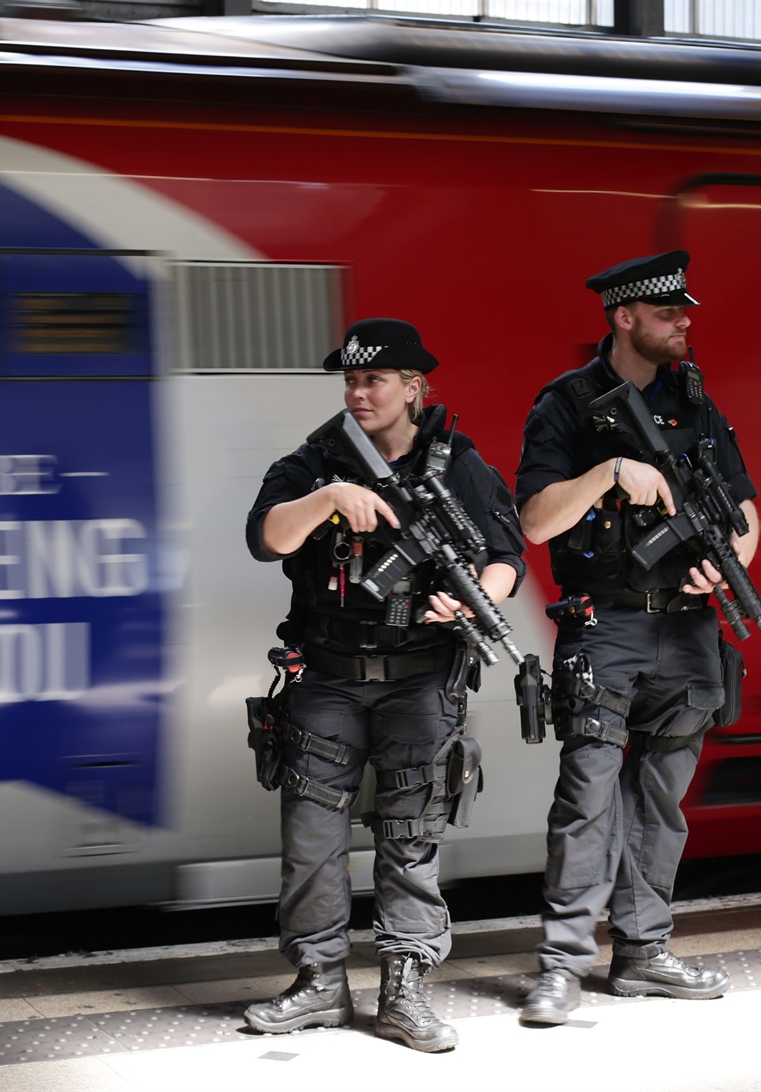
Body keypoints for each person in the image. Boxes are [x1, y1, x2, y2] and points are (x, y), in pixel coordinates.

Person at [243, 317, 525, 1052]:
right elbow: (266, 536)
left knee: (412, 836)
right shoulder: (317, 459)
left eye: (374, 380)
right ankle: (318, 983)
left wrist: (472, 601)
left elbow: (505, 556)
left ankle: (406, 989)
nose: (359, 392)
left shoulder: (456, 462)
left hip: (421, 679)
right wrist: (329, 497)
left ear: (412, 388)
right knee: (312, 839)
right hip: (326, 678)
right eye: (352, 380)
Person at [513, 250, 759, 1025]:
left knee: (660, 802)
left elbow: (747, 513)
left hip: (688, 630)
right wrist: (609, 472)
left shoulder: (697, 401)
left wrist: (728, 570)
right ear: (624, 318)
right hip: (606, 626)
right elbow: (535, 521)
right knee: (586, 797)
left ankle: (644, 954)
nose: (684, 322)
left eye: (683, 311)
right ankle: (560, 965)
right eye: (668, 313)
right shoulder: (567, 404)